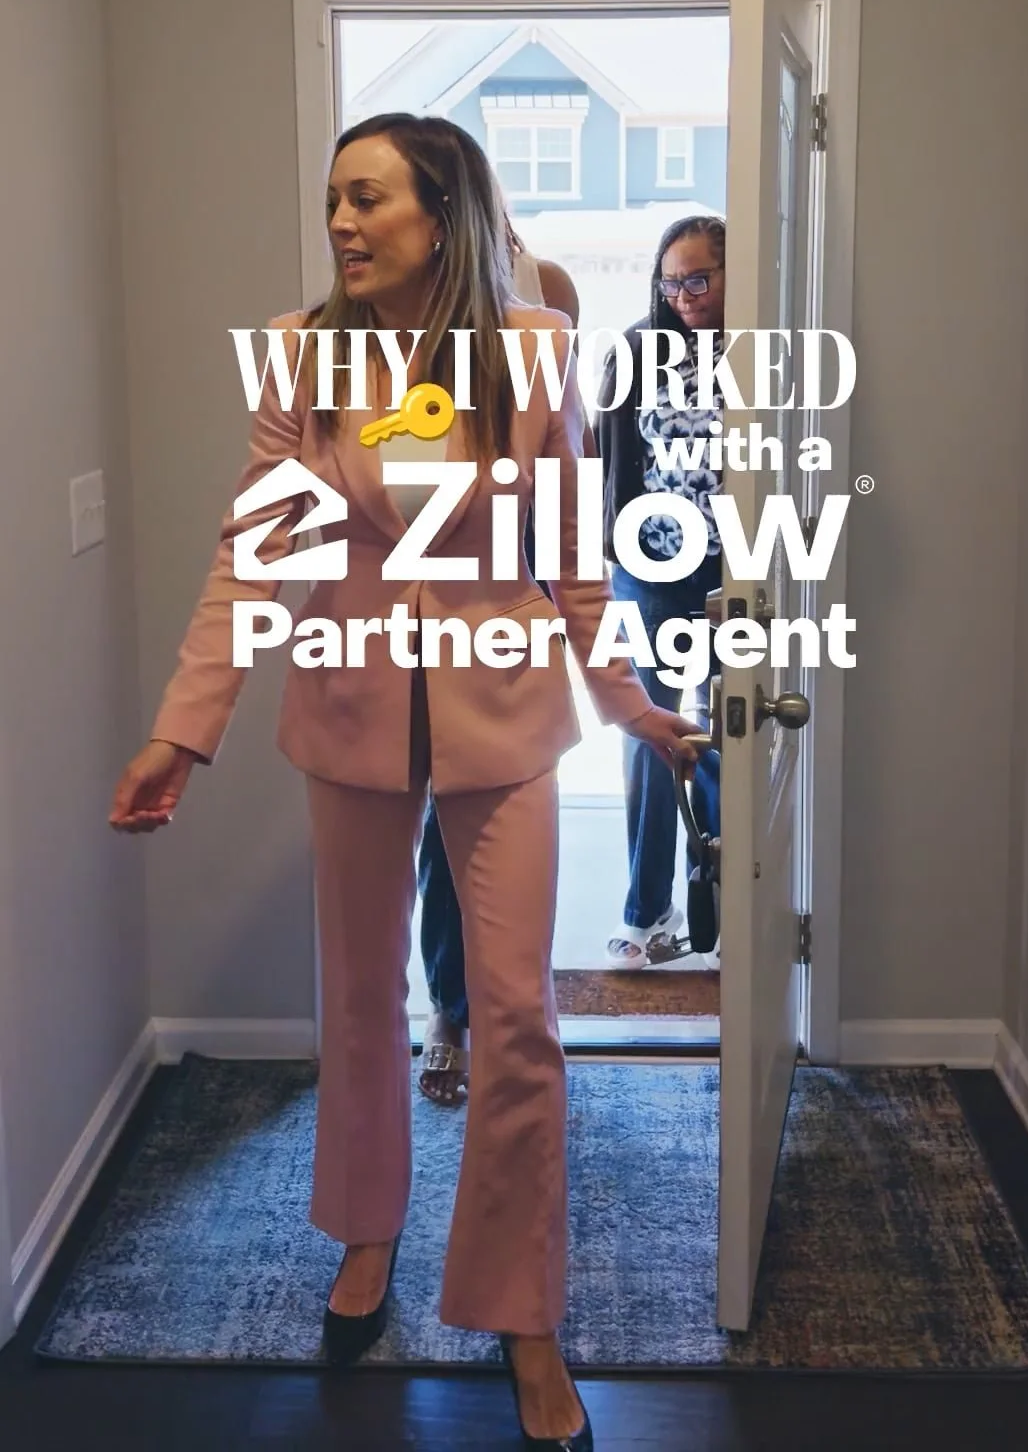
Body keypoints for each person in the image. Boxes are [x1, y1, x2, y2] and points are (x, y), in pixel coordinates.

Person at [107, 114, 700, 1449]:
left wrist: (630, 706)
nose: (342, 222)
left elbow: (573, 555)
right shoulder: (303, 352)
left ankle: (523, 1316)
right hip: (351, 715)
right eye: (334, 198)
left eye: (369, 198)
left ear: (443, 214)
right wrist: (182, 731)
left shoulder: (536, 350)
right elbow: (255, 550)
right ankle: (366, 1231)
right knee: (363, 998)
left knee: (517, 1018)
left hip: (505, 719)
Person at [416, 226, 579, 1107]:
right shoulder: (386, 312)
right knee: (441, 827)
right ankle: (450, 1007)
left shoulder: (544, 292)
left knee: (518, 830)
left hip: (522, 579)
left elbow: (565, 442)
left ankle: (515, 1009)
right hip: (425, 598)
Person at [594, 214, 727, 970]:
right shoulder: (637, 351)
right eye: (672, 282)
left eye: (699, 279)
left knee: (728, 727)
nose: (684, 296)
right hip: (653, 566)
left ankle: (716, 900)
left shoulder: (763, 354)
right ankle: (648, 911)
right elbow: (617, 466)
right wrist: (619, 556)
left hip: (736, 569)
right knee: (653, 732)